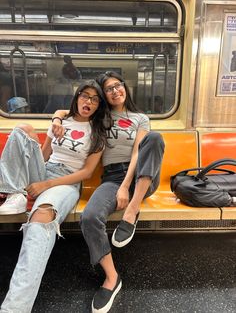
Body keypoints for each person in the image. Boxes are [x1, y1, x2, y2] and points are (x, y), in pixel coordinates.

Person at [53, 71, 165, 313]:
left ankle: (132, 210)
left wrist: (127, 189)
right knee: (90, 217)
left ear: (125, 87)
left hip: (142, 175)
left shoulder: (140, 118)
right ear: (104, 96)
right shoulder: (99, 117)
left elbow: (138, 152)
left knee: (155, 139)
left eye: (118, 85)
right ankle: (112, 278)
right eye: (109, 89)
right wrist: (56, 118)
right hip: (112, 177)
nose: (115, 91)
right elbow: (66, 111)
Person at [0, 79, 108, 313]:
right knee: (23, 129)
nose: (88, 101)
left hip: (66, 181)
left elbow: (86, 172)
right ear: (77, 96)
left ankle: (14, 309)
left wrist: (46, 185)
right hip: (45, 169)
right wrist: (56, 121)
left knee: (41, 218)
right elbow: (45, 153)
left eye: (94, 99)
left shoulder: (98, 133)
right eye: (84, 95)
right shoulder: (62, 120)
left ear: (98, 105)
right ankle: (14, 192)